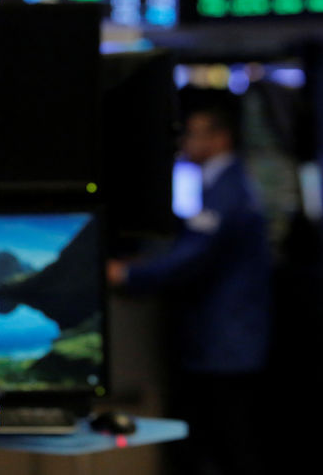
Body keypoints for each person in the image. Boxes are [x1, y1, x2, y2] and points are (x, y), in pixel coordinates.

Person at [107, 89, 272, 475]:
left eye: (193, 134)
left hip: (228, 343)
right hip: (221, 340)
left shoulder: (228, 190)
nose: (184, 144)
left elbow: (195, 256)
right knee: (219, 439)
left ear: (220, 138)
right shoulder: (220, 184)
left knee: (233, 441)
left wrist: (128, 274)